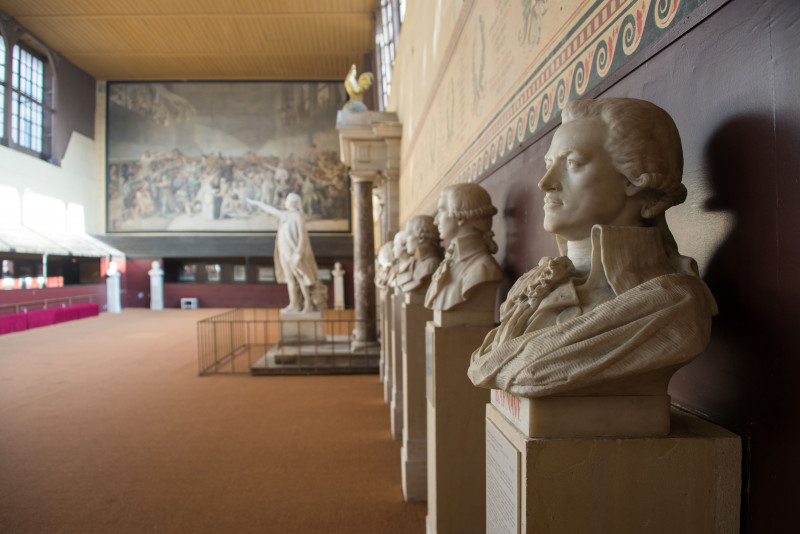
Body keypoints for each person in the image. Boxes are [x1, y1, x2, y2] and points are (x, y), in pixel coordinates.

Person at [467, 98, 718, 398]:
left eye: (572, 164)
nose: (546, 183)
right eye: (549, 165)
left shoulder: (674, 304)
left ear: (633, 179)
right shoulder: (532, 286)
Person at [424, 183, 503, 311]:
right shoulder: (450, 263)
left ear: (460, 216)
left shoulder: (484, 269)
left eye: (441, 210)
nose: (436, 221)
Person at [247, 193, 326, 312]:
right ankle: (294, 304)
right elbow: (271, 210)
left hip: (294, 253)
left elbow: (302, 235)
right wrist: (258, 204)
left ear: (293, 202)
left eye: (289, 200)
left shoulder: (298, 216)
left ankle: (308, 305)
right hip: (284, 252)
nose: (287, 202)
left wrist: (299, 252)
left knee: (301, 278)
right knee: (290, 279)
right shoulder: (285, 215)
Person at [400, 215, 443, 294]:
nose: (406, 241)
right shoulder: (416, 263)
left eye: (409, 234)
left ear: (421, 238)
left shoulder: (432, 264)